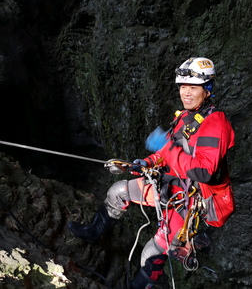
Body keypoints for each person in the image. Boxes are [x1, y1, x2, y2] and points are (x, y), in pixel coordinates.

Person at [67, 57, 235, 288]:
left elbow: (203, 172)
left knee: (151, 253)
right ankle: (92, 233)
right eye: (183, 86)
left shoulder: (215, 124)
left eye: (193, 87)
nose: (186, 92)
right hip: (168, 187)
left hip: (188, 204)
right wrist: (142, 164)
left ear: (207, 89)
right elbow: (169, 152)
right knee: (117, 191)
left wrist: (164, 146)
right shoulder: (186, 118)